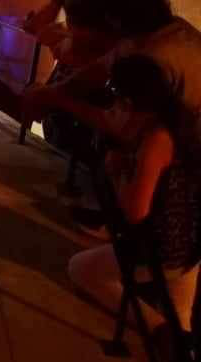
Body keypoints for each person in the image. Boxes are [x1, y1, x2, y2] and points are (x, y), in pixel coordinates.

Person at [65, 55, 201, 335]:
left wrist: (116, 171)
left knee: (80, 269)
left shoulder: (155, 140)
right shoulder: (175, 124)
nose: (111, 109)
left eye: (114, 100)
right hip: (191, 246)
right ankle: (177, 339)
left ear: (128, 103)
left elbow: (136, 212)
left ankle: (163, 333)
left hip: (164, 251)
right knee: (179, 315)